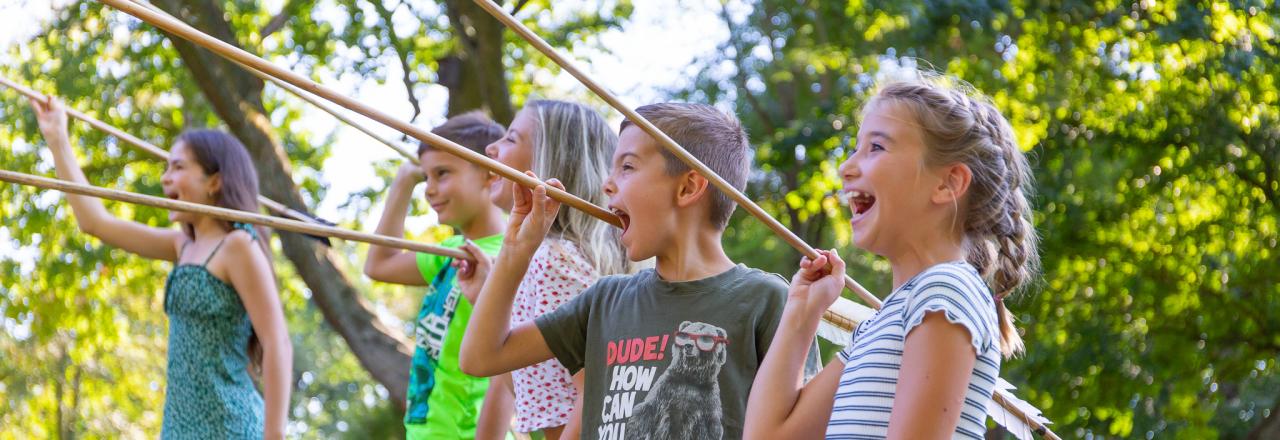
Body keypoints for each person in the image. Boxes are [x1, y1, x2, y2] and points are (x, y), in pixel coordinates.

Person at [458, 102, 817, 439]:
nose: (607, 183)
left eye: (627, 167)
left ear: (689, 186)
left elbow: (801, 427)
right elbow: (481, 357)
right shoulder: (605, 300)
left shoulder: (770, 301)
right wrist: (516, 249)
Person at [743, 72, 1039, 439]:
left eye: (876, 148)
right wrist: (802, 314)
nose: (846, 167)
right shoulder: (879, 325)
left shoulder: (945, 291)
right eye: (855, 148)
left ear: (948, 184)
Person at [29, 96, 293, 439]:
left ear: (214, 181)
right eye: (167, 167)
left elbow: (278, 342)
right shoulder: (180, 245)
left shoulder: (238, 246)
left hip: (232, 427)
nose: (165, 178)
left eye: (178, 167)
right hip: (181, 428)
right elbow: (95, 222)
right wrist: (57, 139)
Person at [469, 100, 637, 439]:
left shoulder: (554, 260)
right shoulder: (557, 258)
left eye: (512, 139)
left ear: (552, 163)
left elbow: (593, 399)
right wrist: (484, 298)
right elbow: (537, 389)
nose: (491, 147)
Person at [362, 111, 509, 439]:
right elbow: (379, 264)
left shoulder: (507, 256)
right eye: (426, 177)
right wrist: (403, 182)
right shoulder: (451, 251)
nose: (429, 189)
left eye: (442, 174)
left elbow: (510, 368)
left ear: (490, 174)